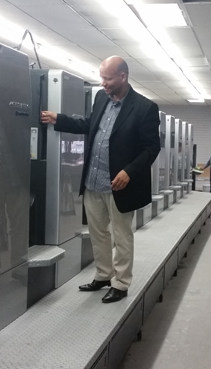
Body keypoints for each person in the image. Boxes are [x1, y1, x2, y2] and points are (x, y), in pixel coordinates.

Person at [40, 56, 160, 304]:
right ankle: (104, 275)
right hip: (93, 181)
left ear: (122, 77)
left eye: (107, 78)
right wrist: (59, 119)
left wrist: (129, 171)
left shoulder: (145, 108)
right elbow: (89, 124)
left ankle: (121, 283)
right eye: (101, 77)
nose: (103, 83)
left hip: (119, 185)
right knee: (98, 234)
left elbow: (151, 148)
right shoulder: (101, 98)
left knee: (122, 236)